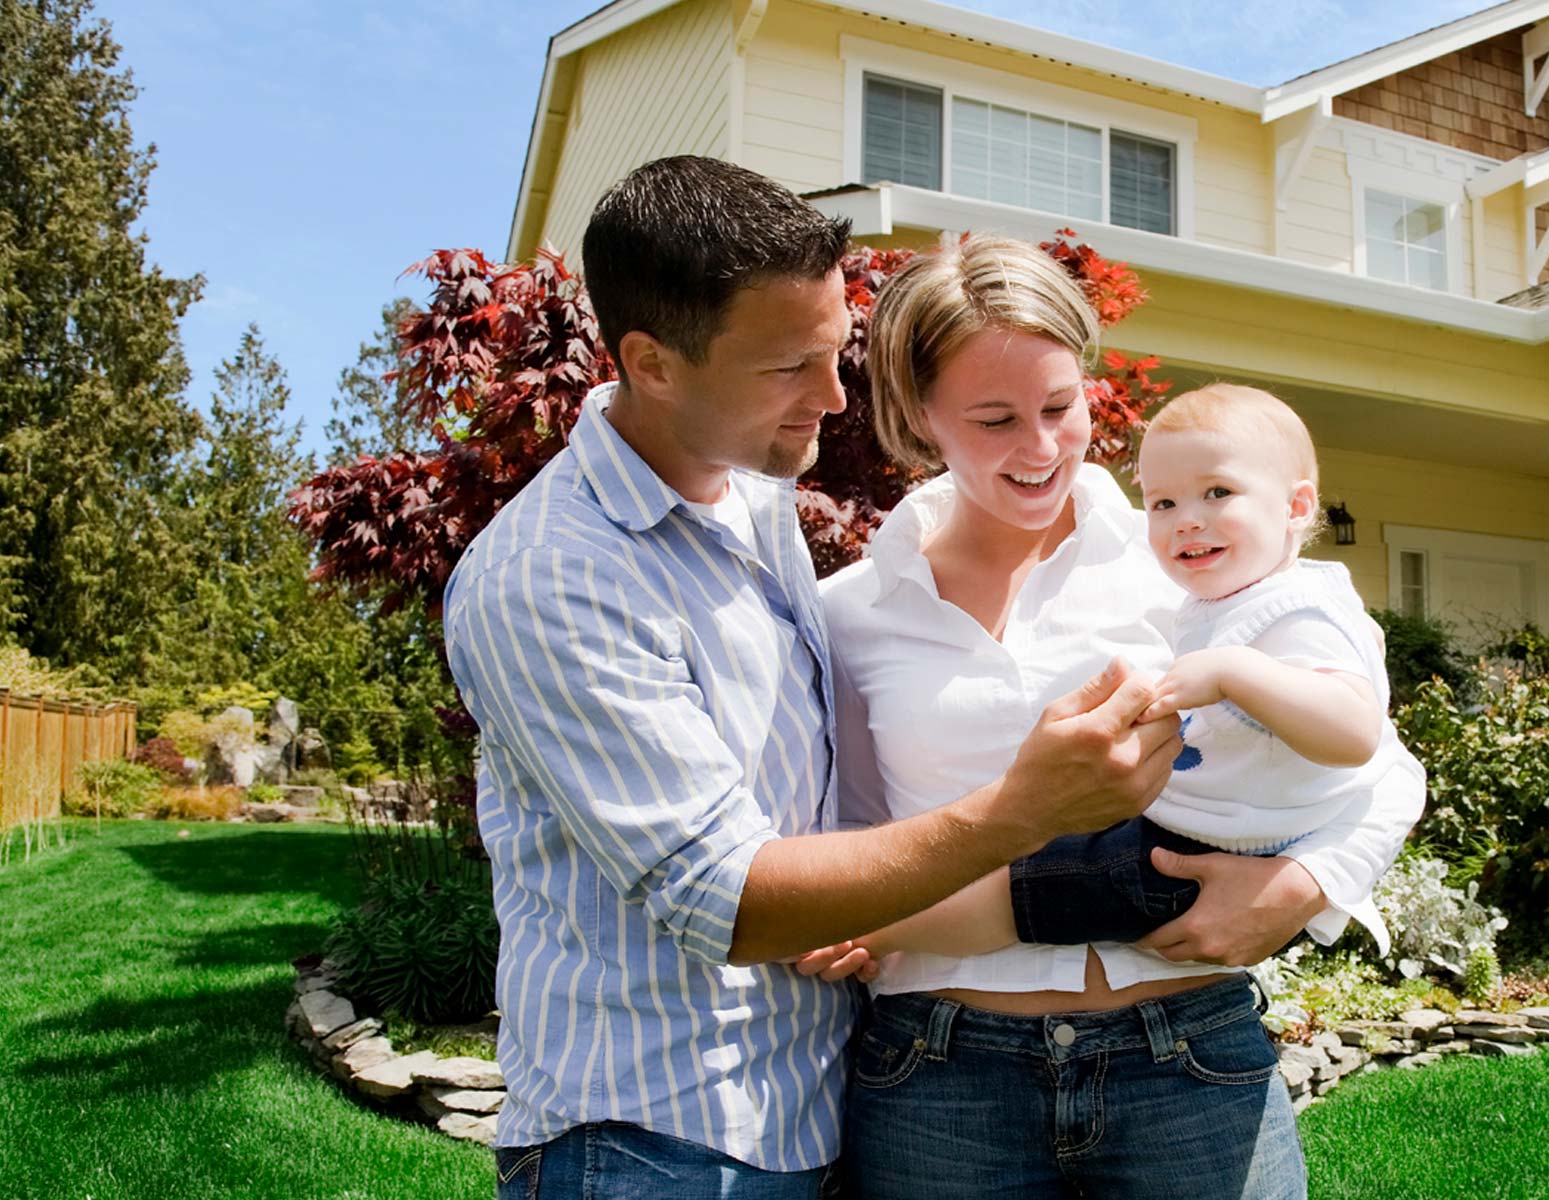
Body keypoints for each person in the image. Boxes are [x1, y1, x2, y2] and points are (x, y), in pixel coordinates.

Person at [443, 157, 1186, 1199]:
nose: (834, 397)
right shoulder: (553, 579)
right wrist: (1022, 809)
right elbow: (725, 898)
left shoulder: (748, 499)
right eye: (789, 367)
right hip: (650, 1140)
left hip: (812, 1111)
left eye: (835, 353)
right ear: (652, 365)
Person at [815, 235, 1425, 1199]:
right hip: (941, 1077)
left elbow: (1383, 764)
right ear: (921, 415)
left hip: (1184, 1056)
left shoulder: (1190, 557)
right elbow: (851, 837)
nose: (1042, 446)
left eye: (1061, 407)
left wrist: (1307, 884)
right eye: (994, 419)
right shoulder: (850, 613)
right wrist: (849, 919)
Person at [851, 382, 1426, 962]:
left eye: (1218, 493)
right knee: (1039, 878)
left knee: (1030, 891)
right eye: (1163, 504)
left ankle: (870, 933)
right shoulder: (1217, 599)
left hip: (1218, 852)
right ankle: (872, 928)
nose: (1187, 522)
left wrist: (1233, 672)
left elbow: (1360, 740)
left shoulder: (1296, 608)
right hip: (1196, 832)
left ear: (1296, 508)